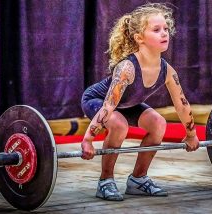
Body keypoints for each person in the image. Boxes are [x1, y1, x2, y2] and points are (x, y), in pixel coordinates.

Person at [81, 3, 199, 201]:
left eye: (165, 29)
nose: (164, 33)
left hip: (128, 105)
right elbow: (109, 106)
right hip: (98, 101)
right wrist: (88, 139)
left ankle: (138, 179)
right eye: (156, 30)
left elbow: (182, 104)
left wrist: (191, 134)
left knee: (159, 124)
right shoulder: (127, 68)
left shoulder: (167, 71)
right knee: (119, 125)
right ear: (139, 38)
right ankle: (105, 181)